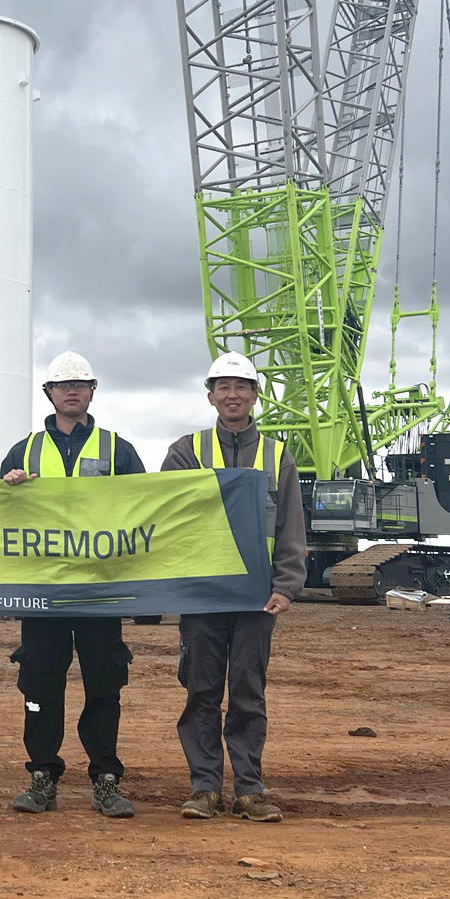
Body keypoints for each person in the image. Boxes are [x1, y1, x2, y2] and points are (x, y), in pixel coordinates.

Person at [158, 350, 308, 822]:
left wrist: (287, 585)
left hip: (256, 595)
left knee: (247, 692)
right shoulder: (187, 451)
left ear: (255, 395)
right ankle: (204, 788)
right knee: (201, 690)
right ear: (210, 396)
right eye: (223, 387)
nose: (232, 394)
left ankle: (249, 788)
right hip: (204, 592)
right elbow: (163, 515)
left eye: (241, 387)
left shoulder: (277, 454)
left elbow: (290, 526)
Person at [0, 351, 146, 819]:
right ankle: (42, 775)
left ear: (92, 391)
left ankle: (106, 778)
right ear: (50, 394)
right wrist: (10, 487)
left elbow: (145, 509)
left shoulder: (117, 450)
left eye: (81, 385)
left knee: (104, 684)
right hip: (43, 593)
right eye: (64, 386)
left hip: (100, 591)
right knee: (41, 684)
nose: (72, 392)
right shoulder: (24, 451)